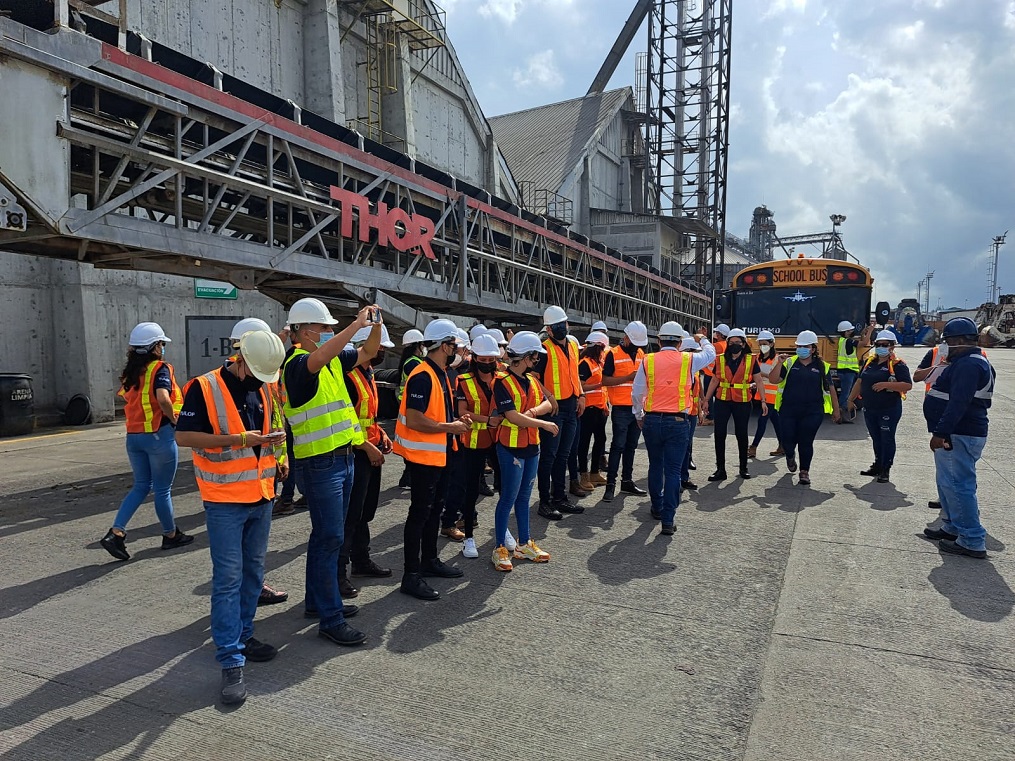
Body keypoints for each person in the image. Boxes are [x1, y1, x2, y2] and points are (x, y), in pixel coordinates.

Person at [174, 329, 287, 705]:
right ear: (239, 361)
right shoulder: (203, 388)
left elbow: (272, 429)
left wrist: (277, 455)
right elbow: (184, 437)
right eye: (256, 375)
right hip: (224, 499)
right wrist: (241, 441)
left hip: (261, 495)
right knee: (227, 579)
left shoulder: (265, 385)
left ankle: (243, 633)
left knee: (254, 572)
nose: (259, 382)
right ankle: (231, 658)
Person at [283, 298, 377, 646]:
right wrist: (355, 325)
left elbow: (368, 352)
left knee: (325, 538)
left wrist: (375, 324)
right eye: (325, 328)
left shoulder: (334, 361)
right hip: (320, 463)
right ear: (306, 333)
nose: (330, 333)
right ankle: (330, 617)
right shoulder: (296, 365)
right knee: (329, 539)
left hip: (342, 458)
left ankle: (316, 604)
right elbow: (319, 358)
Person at [392, 319, 472, 600]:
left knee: (433, 511)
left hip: (439, 454)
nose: (456, 350)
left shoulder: (438, 373)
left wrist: (453, 422)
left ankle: (429, 561)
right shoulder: (423, 375)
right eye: (453, 345)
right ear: (444, 345)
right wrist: (449, 427)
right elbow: (415, 419)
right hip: (424, 457)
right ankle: (411, 574)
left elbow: (435, 414)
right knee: (420, 514)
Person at [100, 322, 191, 561]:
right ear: (153, 347)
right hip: (158, 437)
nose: (163, 347)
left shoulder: (131, 373)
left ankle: (116, 532)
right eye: (161, 343)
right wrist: (176, 420)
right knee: (162, 490)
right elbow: (163, 398)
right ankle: (170, 535)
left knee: (141, 486)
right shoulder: (160, 369)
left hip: (134, 438)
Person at [920, 317, 995, 558]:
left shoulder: (968, 365)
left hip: (959, 434)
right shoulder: (965, 362)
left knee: (959, 486)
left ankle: (972, 539)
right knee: (948, 485)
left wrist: (941, 433)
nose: (945, 346)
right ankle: (952, 527)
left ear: (961, 341)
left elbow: (958, 403)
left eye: (948, 341)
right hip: (956, 433)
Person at [632, 322, 716, 535]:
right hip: (678, 422)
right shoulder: (688, 360)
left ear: (659, 340)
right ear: (679, 342)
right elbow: (711, 354)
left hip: (651, 420)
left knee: (655, 466)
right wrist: (702, 338)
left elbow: (637, 391)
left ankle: (657, 507)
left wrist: (639, 415)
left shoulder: (647, 360)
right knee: (672, 471)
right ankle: (668, 520)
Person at [490, 331, 557, 571]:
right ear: (526, 356)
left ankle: (524, 543)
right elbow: (512, 417)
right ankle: (499, 547)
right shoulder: (502, 382)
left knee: (524, 497)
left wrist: (535, 413)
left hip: (531, 446)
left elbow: (549, 403)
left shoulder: (532, 380)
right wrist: (542, 422)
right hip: (511, 447)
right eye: (535, 357)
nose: (537, 360)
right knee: (508, 497)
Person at [338, 324, 396, 599]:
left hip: (370, 447)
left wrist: (381, 433)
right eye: (380, 347)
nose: (382, 352)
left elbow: (367, 416)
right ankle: (340, 573)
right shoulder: (349, 374)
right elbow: (345, 421)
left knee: (365, 512)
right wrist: (368, 447)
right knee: (350, 516)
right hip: (355, 452)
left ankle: (361, 560)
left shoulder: (367, 372)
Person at [448, 333, 505, 560]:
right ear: (475, 358)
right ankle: (469, 538)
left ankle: (502, 531)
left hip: (498, 439)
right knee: (470, 490)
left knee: (503, 486)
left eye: (491, 359)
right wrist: (487, 420)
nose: (488, 364)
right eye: (483, 359)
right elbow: (461, 413)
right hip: (472, 442)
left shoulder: (501, 378)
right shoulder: (463, 381)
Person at [533, 305, 587, 520]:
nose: (560, 329)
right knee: (549, 456)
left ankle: (559, 497)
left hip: (571, 406)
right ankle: (544, 501)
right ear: (549, 329)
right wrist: (549, 396)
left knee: (563, 455)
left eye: (561, 325)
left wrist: (581, 395)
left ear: (566, 324)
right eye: (555, 327)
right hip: (553, 410)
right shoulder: (543, 350)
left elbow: (573, 374)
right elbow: (534, 379)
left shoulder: (573, 346)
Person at [768, 330, 841, 485]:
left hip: (813, 411)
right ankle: (789, 455)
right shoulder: (789, 363)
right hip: (788, 409)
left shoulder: (822, 366)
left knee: (806, 441)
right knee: (788, 439)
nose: (801, 349)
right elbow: (773, 380)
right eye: (799, 346)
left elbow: (831, 389)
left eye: (805, 346)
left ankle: (804, 471)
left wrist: (836, 410)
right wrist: (778, 363)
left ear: (813, 349)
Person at [847, 330, 912, 483]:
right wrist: (850, 399)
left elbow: (907, 385)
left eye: (884, 345)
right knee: (876, 438)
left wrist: (886, 385)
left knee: (886, 439)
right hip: (870, 408)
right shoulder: (870, 362)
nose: (880, 347)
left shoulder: (898, 365)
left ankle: (885, 469)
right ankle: (877, 465)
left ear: (892, 347)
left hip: (888, 408)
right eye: (878, 344)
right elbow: (859, 381)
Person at [703, 328, 765, 481]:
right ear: (728, 343)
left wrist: (763, 400)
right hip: (723, 400)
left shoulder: (751, 360)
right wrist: (706, 400)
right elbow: (715, 380)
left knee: (741, 434)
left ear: (743, 344)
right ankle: (720, 469)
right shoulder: (720, 359)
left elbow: (758, 380)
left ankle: (743, 468)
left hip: (742, 401)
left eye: (738, 342)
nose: (734, 345)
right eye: (731, 342)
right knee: (719, 434)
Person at [601, 320, 650, 502]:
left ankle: (627, 481)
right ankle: (610, 485)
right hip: (621, 408)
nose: (637, 347)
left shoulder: (641, 354)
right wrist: (628, 378)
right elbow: (605, 380)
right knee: (618, 446)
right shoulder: (613, 354)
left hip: (638, 407)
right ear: (626, 337)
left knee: (631, 447)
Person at [577, 331, 609, 490]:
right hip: (588, 409)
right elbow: (580, 385)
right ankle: (583, 475)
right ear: (598, 347)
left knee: (601, 439)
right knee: (584, 442)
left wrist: (605, 405)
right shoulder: (585, 363)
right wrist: (598, 385)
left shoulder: (598, 363)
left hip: (599, 408)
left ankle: (595, 472)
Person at [396, 328, 426, 490]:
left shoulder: (409, 361)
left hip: (405, 406)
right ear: (417, 345)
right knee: (414, 443)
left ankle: (407, 476)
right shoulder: (413, 363)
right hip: (410, 407)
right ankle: (408, 476)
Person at [747, 330, 783, 459]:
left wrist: (762, 375)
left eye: (765, 344)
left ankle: (753, 447)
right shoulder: (757, 358)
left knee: (762, 420)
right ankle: (783, 446)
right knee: (776, 421)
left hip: (773, 395)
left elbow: (778, 378)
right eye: (760, 344)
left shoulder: (777, 359)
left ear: (772, 344)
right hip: (762, 394)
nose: (762, 346)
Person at [835, 319, 874, 423]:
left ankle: (842, 414)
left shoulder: (842, 341)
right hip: (848, 372)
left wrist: (862, 333)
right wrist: (870, 331)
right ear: (846, 332)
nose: (852, 332)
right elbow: (864, 343)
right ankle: (841, 415)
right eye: (850, 330)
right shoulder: (849, 341)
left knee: (846, 393)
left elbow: (859, 342)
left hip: (845, 371)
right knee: (846, 394)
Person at [679, 336, 704, 490]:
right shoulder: (680, 369)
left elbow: (697, 392)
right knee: (681, 447)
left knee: (687, 447)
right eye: (694, 352)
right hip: (681, 413)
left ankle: (684, 478)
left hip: (692, 413)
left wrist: (700, 410)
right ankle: (678, 478)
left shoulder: (694, 370)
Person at [699, 323, 729, 426]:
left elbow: (706, 349)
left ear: (720, 334)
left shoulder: (718, 346)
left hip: (711, 374)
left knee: (709, 396)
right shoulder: (726, 344)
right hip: (720, 374)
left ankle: (710, 417)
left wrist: (702, 337)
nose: (715, 334)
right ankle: (716, 416)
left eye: (716, 333)